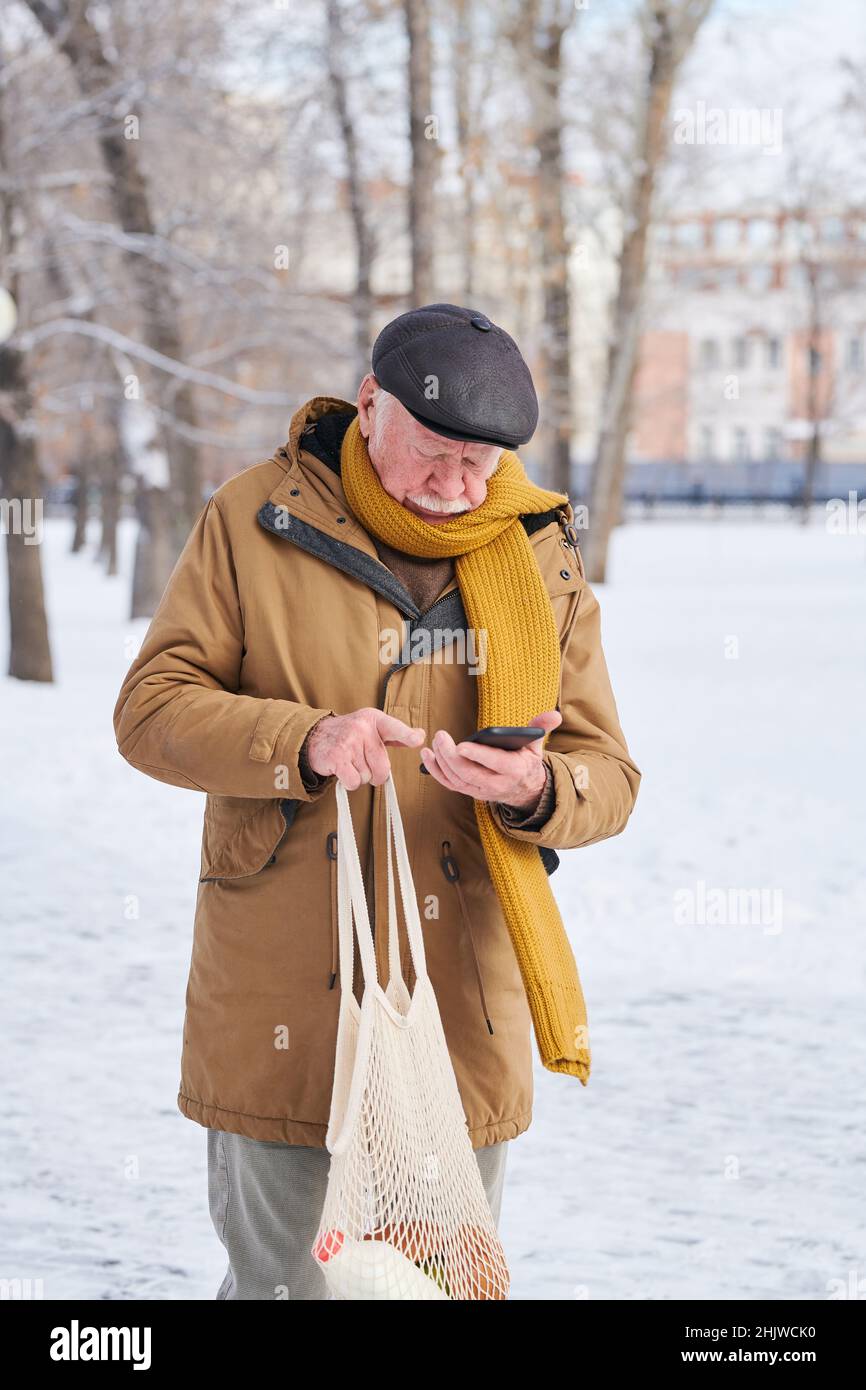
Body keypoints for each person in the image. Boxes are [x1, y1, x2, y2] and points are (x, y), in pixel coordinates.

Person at [113, 302, 641, 1300]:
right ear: (367, 406)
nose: (454, 488)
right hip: (282, 991)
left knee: (433, 1288)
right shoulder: (250, 516)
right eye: (433, 454)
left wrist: (533, 787)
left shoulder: (536, 551)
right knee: (291, 1285)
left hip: (457, 1007)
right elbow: (151, 710)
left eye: (478, 467)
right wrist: (302, 739)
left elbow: (605, 774)